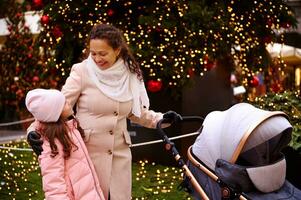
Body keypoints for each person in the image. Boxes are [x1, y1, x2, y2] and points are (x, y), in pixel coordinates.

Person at [27, 23, 180, 200]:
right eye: (93, 53)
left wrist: (161, 119)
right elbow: (56, 107)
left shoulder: (130, 73)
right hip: (86, 156)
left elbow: (135, 112)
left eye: (103, 53)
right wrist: (33, 131)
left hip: (120, 156)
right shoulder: (82, 71)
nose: (97, 59)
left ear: (117, 50)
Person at [25, 88, 105, 200]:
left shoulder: (70, 127)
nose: (69, 103)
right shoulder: (52, 142)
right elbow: (53, 184)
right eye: (65, 104)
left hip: (87, 192)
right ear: (55, 113)